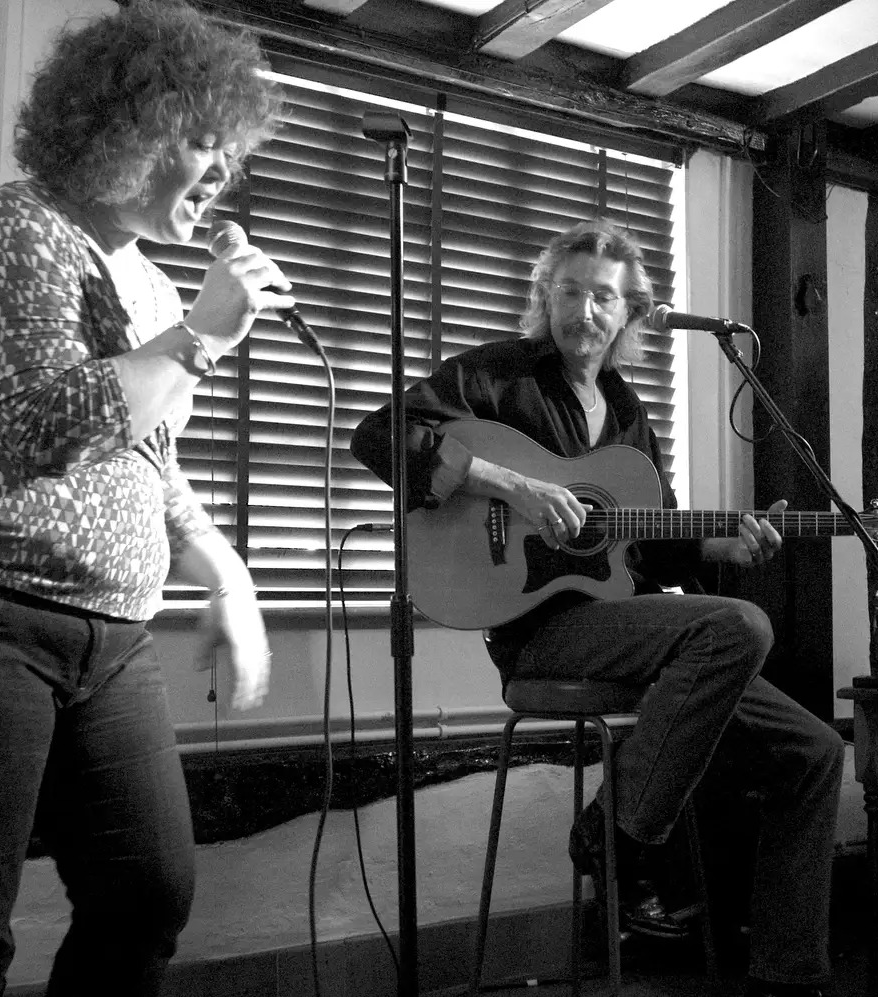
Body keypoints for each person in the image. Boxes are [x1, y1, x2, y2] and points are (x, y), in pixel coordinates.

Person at [0, 3, 288, 993]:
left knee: (146, 895)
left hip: (108, 636)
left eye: (230, 150)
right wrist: (206, 337)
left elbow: (148, 461)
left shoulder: (156, 290)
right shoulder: (15, 226)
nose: (221, 173)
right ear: (119, 131)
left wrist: (229, 576)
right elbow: (51, 428)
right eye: (200, 141)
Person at [350, 219, 845, 996]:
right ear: (546, 296)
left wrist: (728, 548)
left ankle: (788, 973)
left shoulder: (624, 413)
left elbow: (654, 542)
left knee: (815, 751)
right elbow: (381, 435)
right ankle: (615, 836)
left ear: (629, 313)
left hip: (624, 627)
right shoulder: (498, 375)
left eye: (603, 297)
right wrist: (515, 485)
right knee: (738, 624)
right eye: (571, 291)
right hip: (539, 636)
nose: (585, 310)